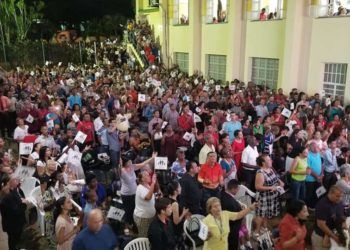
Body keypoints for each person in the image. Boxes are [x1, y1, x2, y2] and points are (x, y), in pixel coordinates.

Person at [120, 152, 156, 227]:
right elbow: (119, 169)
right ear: (124, 163)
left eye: (130, 160)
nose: (130, 162)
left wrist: (152, 158)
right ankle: (128, 226)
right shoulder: (122, 171)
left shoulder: (132, 166)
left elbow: (142, 164)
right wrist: (119, 163)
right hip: (126, 195)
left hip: (135, 192)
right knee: (128, 211)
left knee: (135, 209)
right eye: (128, 161)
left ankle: (135, 225)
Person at [254, 154, 284, 235]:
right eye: (269, 160)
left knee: (266, 214)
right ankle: (256, 231)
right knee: (260, 214)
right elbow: (257, 187)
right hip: (264, 197)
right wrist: (271, 188)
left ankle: (264, 227)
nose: (271, 161)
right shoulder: (260, 172)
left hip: (271, 197)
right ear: (263, 163)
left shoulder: (270, 169)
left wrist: (279, 181)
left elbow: (275, 177)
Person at [312, 185, 344, 250]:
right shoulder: (323, 205)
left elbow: (340, 216)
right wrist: (335, 237)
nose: (340, 198)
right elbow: (321, 225)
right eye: (337, 196)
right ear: (330, 193)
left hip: (332, 234)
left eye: (341, 196)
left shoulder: (339, 202)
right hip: (320, 236)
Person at [0, 174, 28, 250]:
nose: (18, 180)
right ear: (9, 183)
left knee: (16, 240)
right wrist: (24, 204)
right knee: (13, 242)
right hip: (12, 225)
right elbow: (16, 211)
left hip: (17, 223)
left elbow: (21, 197)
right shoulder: (6, 196)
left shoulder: (14, 190)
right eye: (15, 179)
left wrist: (22, 200)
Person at [220, 179, 246, 250]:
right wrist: (242, 211)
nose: (238, 191)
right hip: (232, 230)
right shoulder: (231, 203)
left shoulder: (223, 194)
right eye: (237, 189)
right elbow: (236, 217)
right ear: (233, 189)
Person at [134, 170, 157, 237]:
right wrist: (153, 183)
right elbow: (148, 197)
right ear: (142, 179)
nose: (149, 176)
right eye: (147, 175)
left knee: (149, 235)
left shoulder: (147, 185)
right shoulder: (140, 188)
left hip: (149, 216)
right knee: (143, 236)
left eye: (149, 175)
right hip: (143, 218)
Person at [306, 141, 323, 209]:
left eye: (317, 146)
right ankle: (310, 207)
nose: (316, 148)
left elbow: (321, 164)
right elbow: (309, 168)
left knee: (319, 192)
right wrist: (317, 177)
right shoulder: (308, 155)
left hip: (318, 178)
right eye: (314, 147)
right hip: (310, 179)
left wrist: (321, 174)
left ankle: (317, 205)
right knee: (310, 194)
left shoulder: (318, 154)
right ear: (310, 148)